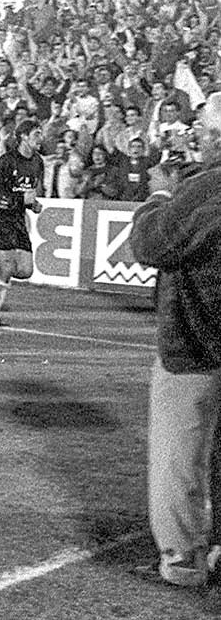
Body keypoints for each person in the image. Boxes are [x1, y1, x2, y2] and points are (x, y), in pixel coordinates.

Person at [129, 94, 221, 587]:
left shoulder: (206, 189)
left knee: (177, 458)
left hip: (196, 345)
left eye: (203, 134)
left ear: (213, 139)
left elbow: (150, 244)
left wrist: (160, 195)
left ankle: (183, 560)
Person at [0, 120, 45, 326]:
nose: (40, 138)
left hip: (17, 217)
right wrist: (20, 200)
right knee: (7, 266)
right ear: (24, 137)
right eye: (36, 134)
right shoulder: (6, 161)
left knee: (25, 271)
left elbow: (28, 193)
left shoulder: (38, 162)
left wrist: (33, 204)